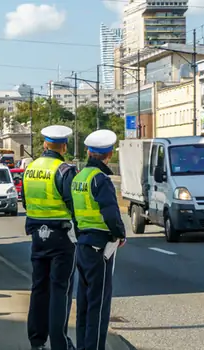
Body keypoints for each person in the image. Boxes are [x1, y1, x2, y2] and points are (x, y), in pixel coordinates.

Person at [70, 129, 126, 350]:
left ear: (88, 152)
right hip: (99, 247)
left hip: (83, 243)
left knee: (84, 302)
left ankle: (83, 345)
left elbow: (75, 212)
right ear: (109, 154)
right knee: (99, 304)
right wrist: (120, 234)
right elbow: (110, 212)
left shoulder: (78, 178)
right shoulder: (100, 179)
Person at [23, 125, 78, 350]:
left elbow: (26, 202)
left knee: (39, 288)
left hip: (37, 235)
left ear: (45, 144)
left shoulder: (30, 168)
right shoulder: (64, 170)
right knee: (60, 290)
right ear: (63, 146)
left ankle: (36, 341)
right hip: (61, 237)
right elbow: (72, 203)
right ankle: (59, 344)